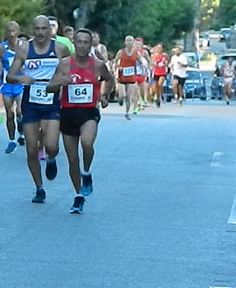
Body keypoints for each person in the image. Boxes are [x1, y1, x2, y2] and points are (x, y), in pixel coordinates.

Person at [48, 28, 114, 213]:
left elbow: (109, 79)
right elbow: (49, 87)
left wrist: (104, 95)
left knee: (86, 143)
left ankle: (87, 172)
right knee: (72, 159)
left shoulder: (98, 65)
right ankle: (78, 196)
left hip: (88, 112)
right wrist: (61, 83)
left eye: (86, 42)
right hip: (68, 113)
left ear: (91, 44)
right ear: (74, 43)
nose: (82, 46)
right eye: (79, 42)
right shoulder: (64, 64)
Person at [7, 15, 70, 204]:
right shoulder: (24, 49)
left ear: (50, 30)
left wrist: (61, 83)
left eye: (45, 29)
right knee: (31, 148)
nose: (41, 32)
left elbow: (70, 72)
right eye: (38, 29)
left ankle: (51, 159)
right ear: (33, 30)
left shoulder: (60, 48)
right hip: (31, 101)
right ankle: (39, 188)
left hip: (51, 100)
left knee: (51, 145)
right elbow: (10, 75)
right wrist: (20, 79)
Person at [0, 21, 25, 153]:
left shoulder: (25, 46)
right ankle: (11, 141)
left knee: (20, 111)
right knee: (9, 114)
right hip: (7, 85)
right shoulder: (1, 48)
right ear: (5, 32)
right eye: (9, 31)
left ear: (18, 31)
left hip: (21, 84)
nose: (11, 34)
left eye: (14, 31)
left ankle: (22, 133)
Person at [113, 35, 139, 120]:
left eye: (130, 40)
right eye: (127, 40)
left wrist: (143, 69)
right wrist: (117, 68)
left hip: (131, 77)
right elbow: (115, 61)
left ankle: (127, 113)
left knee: (129, 96)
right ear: (125, 42)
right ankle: (120, 99)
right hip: (122, 77)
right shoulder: (121, 52)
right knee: (123, 95)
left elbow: (141, 62)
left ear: (133, 42)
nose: (129, 42)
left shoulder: (136, 53)